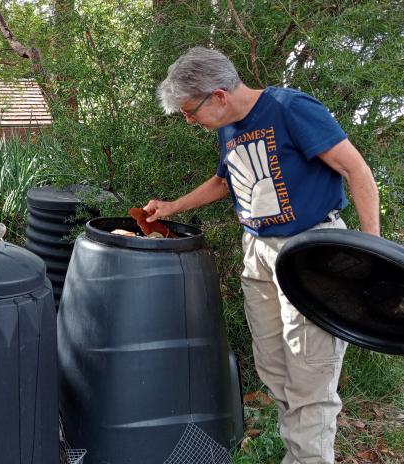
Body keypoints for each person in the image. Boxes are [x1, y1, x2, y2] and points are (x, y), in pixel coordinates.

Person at [144, 47, 380, 464]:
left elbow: (356, 170)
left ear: (218, 95)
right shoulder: (229, 124)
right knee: (274, 367)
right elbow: (225, 181)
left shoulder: (292, 109)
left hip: (311, 252)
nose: (188, 120)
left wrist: (372, 251)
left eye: (189, 111)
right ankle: (299, 452)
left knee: (311, 375)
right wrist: (172, 207)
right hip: (258, 252)